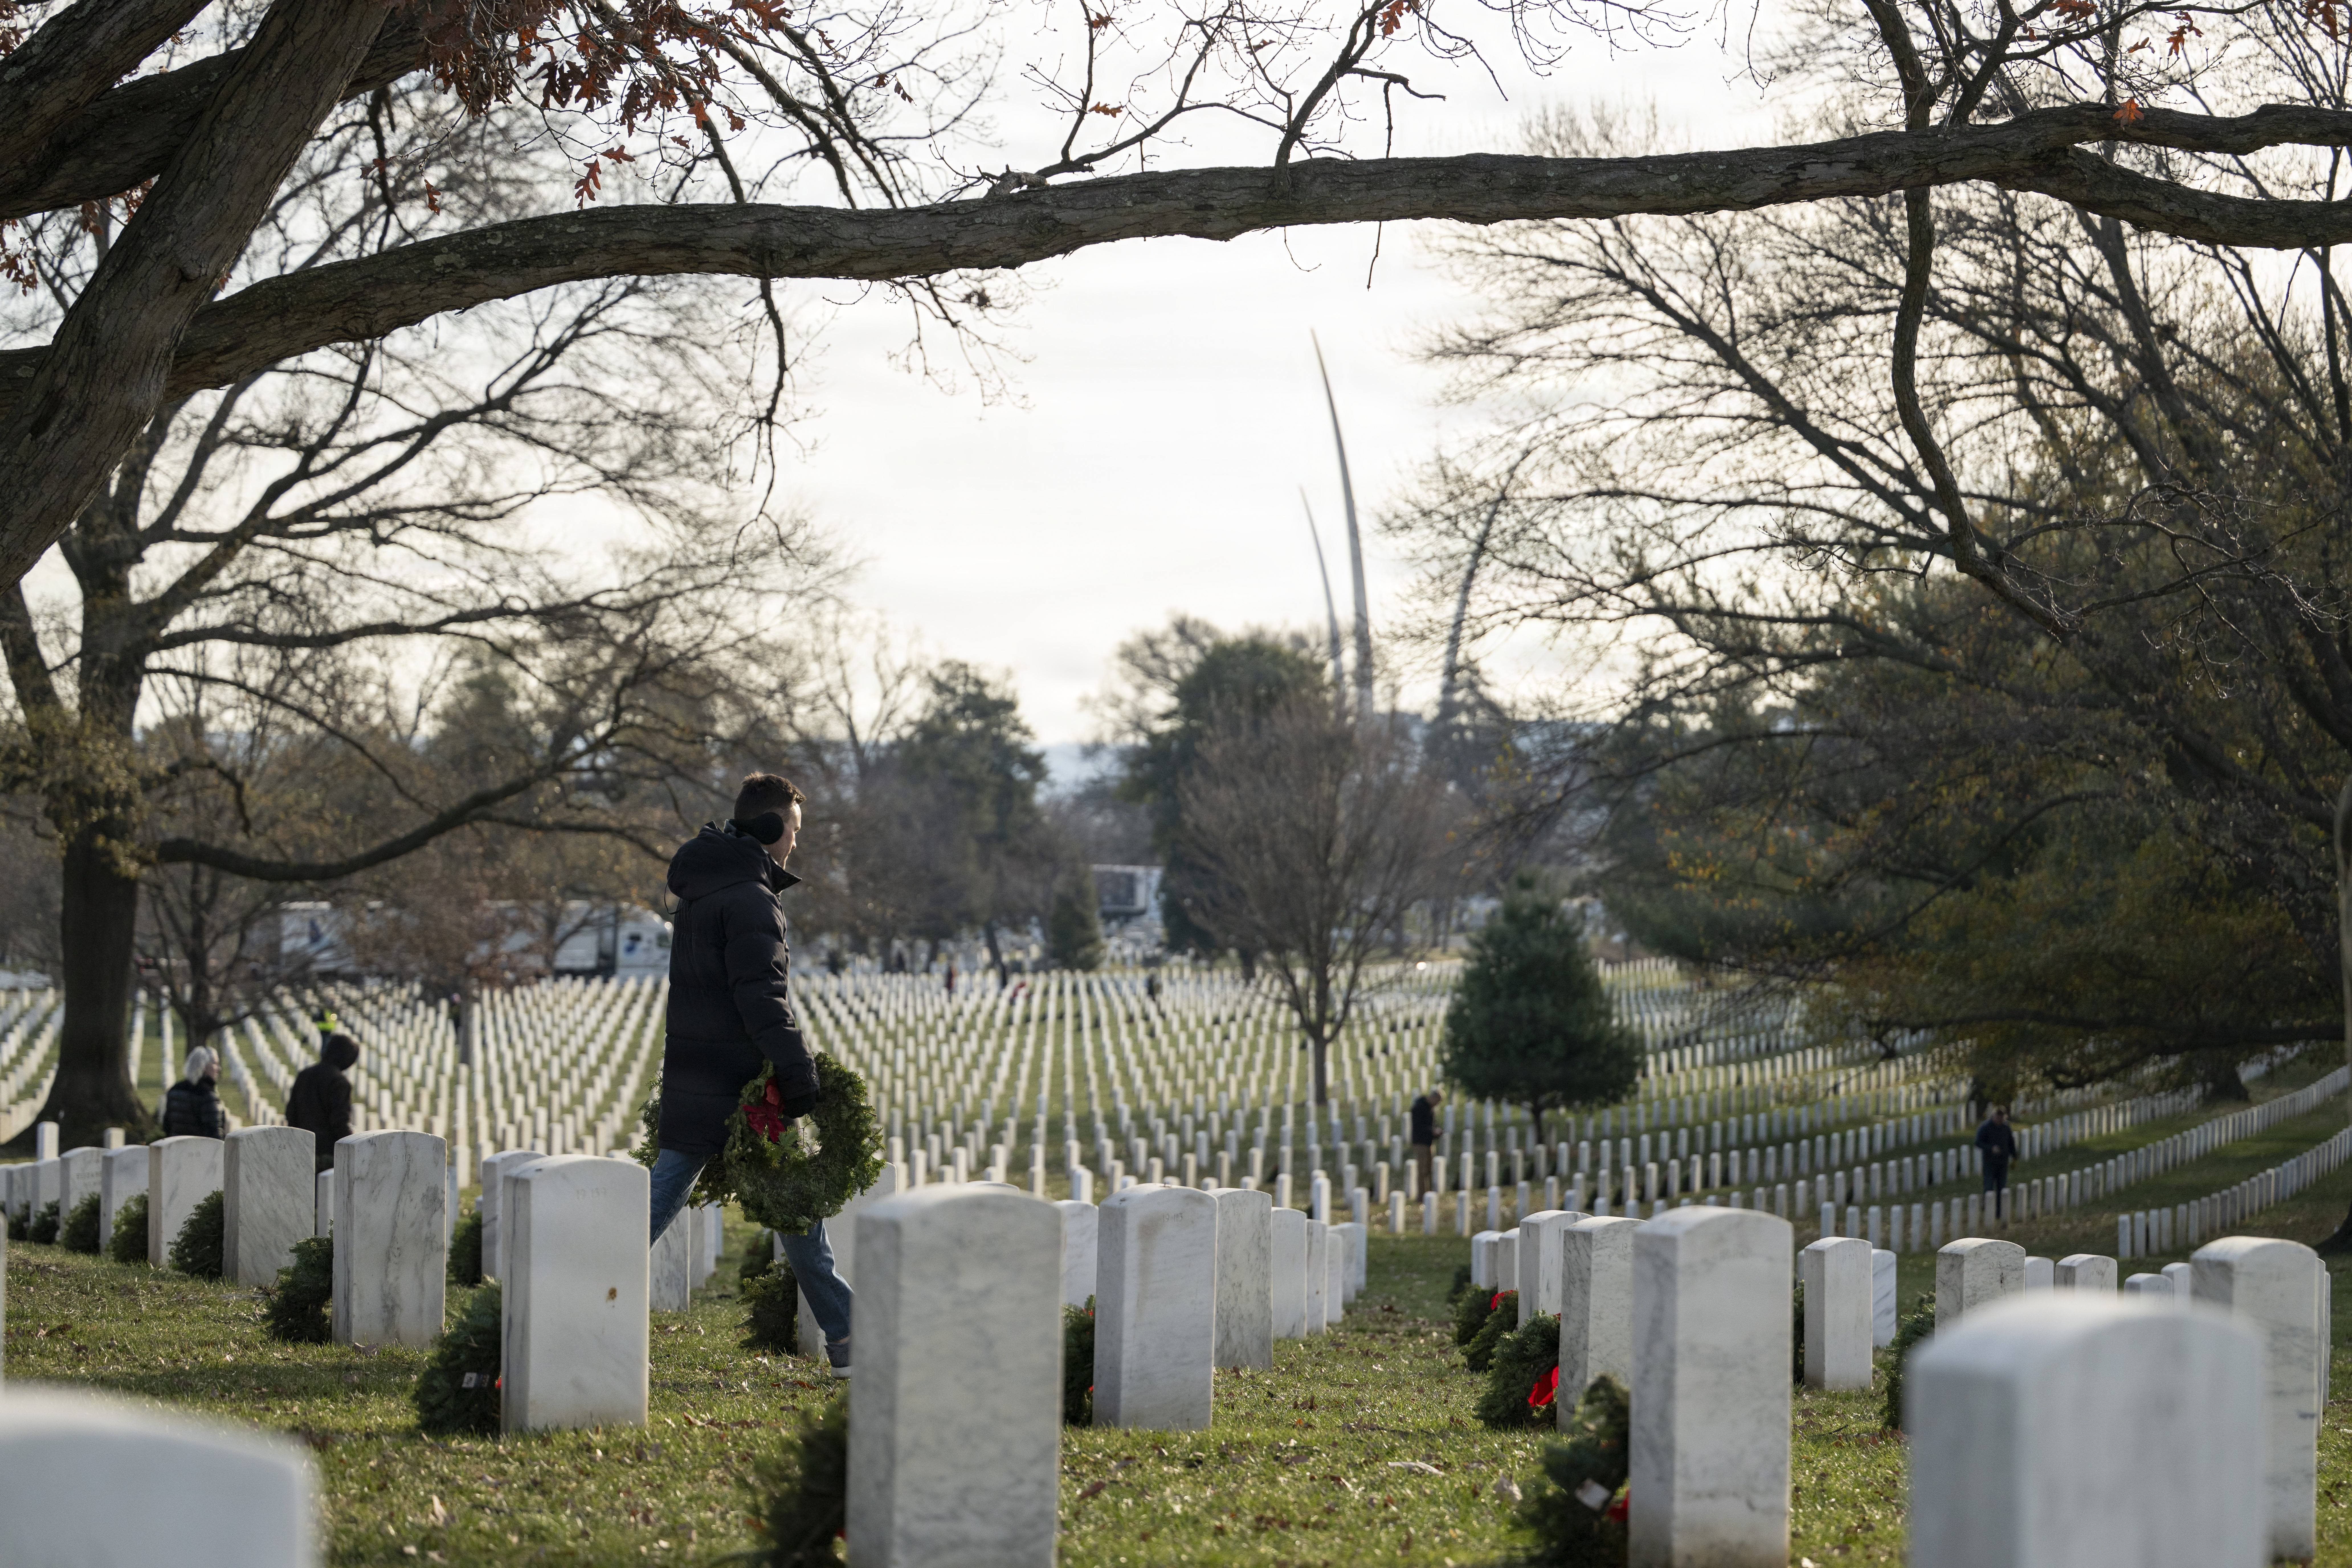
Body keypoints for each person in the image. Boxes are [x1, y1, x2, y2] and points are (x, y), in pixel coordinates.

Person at [653, 772, 854, 1378]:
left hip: (695, 1071)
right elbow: (761, 995)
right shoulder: (748, 896)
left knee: (669, 1198)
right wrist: (797, 1071)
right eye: (793, 830)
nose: (796, 842)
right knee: (793, 1209)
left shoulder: (705, 885)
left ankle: (848, 1335)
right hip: (742, 1088)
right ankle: (850, 1339)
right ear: (770, 829)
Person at [286, 1031, 360, 1172]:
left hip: (302, 1148)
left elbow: (291, 1113)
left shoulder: (304, 1075)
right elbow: (340, 1121)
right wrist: (354, 1147)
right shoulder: (339, 1082)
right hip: (328, 1154)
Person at [161, 1046, 227, 1139]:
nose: (219, 1069)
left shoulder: (175, 1091)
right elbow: (214, 1132)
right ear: (204, 1066)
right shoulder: (207, 1095)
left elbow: (167, 1126)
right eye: (215, 1064)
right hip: (200, 1151)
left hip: (176, 1149)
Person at [1975, 1105, 2019, 1218]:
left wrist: (2014, 1157)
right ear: (1994, 1116)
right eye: (1998, 1118)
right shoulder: (1986, 1127)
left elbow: (2011, 1142)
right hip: (1990, 1163)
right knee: (1989, 1187)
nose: (2000, 1121)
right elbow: (1978, 1143)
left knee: (2001, 1188)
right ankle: (1988, 1210)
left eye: (2002, 1118)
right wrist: (1991, 1148)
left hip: (2003, 1163)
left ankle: (1999, 1213)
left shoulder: (2006, 1127)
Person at [1409, 1085, 1444, 1192]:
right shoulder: (1419, 1107)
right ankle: (1422, 1195)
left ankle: (1429, 1193)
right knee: (1422, 1170)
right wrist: (1432, 1131)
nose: (1437, 1104)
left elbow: (1433, 1124)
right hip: (1421, 1143)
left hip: (1429, 1142)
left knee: (1430, 1169)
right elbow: (1418, 1126)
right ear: (1433, 1098)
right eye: (1438, 1102)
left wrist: (1438, 1131)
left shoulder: (1431, 1109)